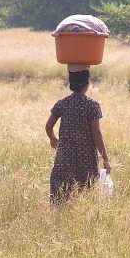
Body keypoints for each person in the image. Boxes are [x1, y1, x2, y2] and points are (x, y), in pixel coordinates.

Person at [45, 70, 110, 206]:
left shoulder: (62, 103)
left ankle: (57, 217)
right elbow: (96, 134)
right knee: (84, 194)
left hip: (65, 156)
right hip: (85, 157)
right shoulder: (92, 105)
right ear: (87, 84)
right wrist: (105, 159)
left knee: (60, 194)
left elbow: (48, 126)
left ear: (71, 84)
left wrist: (53, 138)